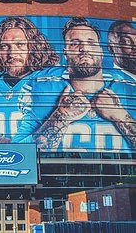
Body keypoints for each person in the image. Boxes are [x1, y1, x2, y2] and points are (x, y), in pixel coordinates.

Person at [13, 17, 136, 151]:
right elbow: (18, 151)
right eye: (75, 43)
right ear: (65, 52)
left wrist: (121, 116)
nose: (84, 48)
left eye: (91, 43)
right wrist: (61, 116)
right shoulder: (43, 91)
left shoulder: (128, 90)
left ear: (101, 51)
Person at [0, 16, 59, 143]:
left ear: (33, 47)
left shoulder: (50, 81)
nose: (12, 53)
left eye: (20, 45)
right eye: (5, 46)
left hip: (43, 161)